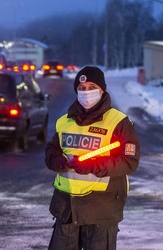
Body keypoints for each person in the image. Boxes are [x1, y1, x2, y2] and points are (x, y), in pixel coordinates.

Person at [44, 66, 140, 250]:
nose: (86, 92)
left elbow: (130, 161)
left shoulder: (119, 122)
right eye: (82, 88)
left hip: (101, 208)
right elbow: (51, 151)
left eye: (91, 87)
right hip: (66, 208)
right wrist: (57, 161)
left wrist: (94, 165)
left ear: (102, 89)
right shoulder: (64, 121)